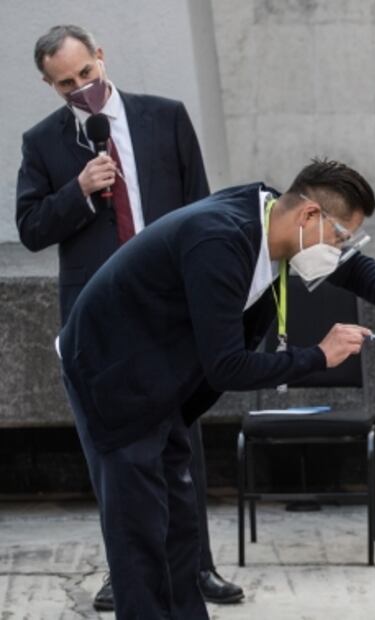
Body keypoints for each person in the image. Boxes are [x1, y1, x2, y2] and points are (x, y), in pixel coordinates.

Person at [57, 159, 375, 618]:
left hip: (161, 374)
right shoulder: (220, 241)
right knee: (139, 534)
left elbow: (353, 268)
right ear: (309, 216)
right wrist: (319, 355)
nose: (339, 250)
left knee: (179, 524)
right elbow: (227, 367)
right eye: (339, 237)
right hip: (111, 375)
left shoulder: (273, 215)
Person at [15, 24, 242, 609]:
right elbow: (31, 228)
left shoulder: (163, 118)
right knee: (113, 455)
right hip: (100, 324)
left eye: (85, 74)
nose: (80, 88)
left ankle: (197, 568)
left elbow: (203, 206)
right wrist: (79, 190)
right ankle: (128, 569)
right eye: (65, 83)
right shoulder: (42, 142)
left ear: (100, 57)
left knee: (181, 443)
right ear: (49, 84)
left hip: (170, 310)